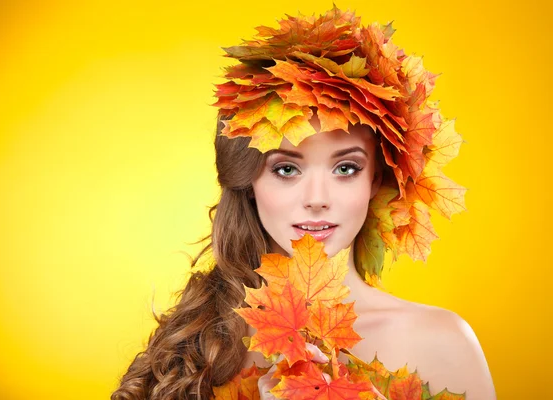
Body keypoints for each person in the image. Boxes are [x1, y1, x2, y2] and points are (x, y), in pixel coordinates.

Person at [112, 6, 496, 400]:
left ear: (374, 180)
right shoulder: (195, 344)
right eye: (285, 169)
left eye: (345, 168)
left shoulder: (443, 343)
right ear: (250, 181)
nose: (316, 199)